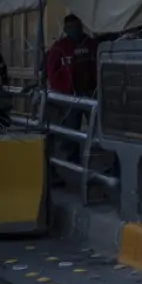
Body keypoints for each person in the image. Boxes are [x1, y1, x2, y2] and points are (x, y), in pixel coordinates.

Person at [45, 15, 98, 173]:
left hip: (90, 93)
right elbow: (51, 72)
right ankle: (72, 159)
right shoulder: (60, 47)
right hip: (71, 95)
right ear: (66, 29)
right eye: (71, 27)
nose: (75, 30)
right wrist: (63, 90)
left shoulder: (91, 44)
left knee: (97, 127)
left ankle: (96, 155)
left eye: (77, 26)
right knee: (71, 129)